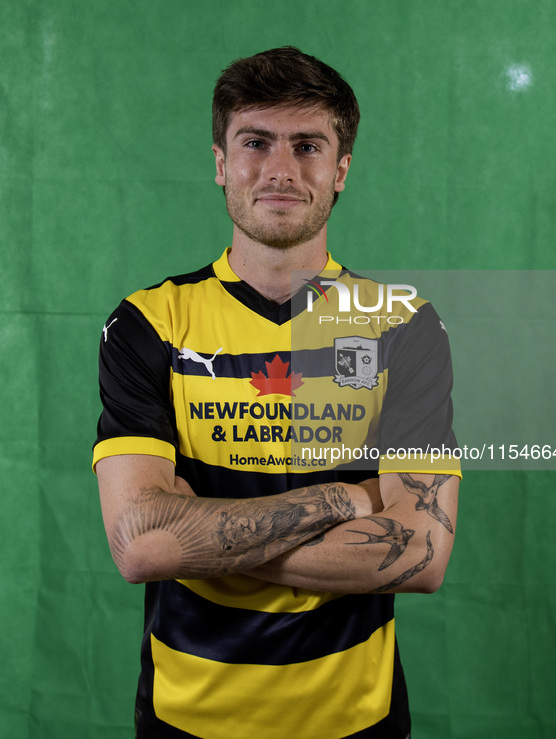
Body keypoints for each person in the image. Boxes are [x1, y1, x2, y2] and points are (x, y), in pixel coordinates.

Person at [93, 46, 460, 739]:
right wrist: (348, 500)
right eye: (255, 142)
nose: (281, 169)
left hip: (356, 718)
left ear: (340, 170)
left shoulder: (404, 325)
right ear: (221, 163)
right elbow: (139, 547)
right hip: (186, 715)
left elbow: (420, 553)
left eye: (307, 145)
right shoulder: (148, 322)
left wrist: (195, 535)